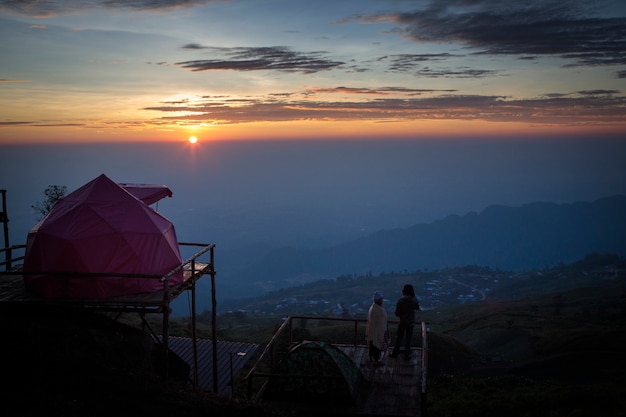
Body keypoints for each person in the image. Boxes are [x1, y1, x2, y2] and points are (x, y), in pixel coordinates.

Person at [390, 284, 420, 360]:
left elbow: (397, 313)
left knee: (399, 339)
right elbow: (417, 307)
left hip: (402, 322)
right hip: (410, 323)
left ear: (404, 291)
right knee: (408, 340)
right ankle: (407, 355)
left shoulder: (400, 301)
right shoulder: (413, 301)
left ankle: (395, 354)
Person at [366, 290, 388, 365]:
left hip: (373, 332)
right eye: (381, 300)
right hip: (377, 332)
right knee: (376, 346)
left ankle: (371, 358)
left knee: (373, 346)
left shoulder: (373, 308)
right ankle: (376, 361)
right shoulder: (378, 310)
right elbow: (381, 321)